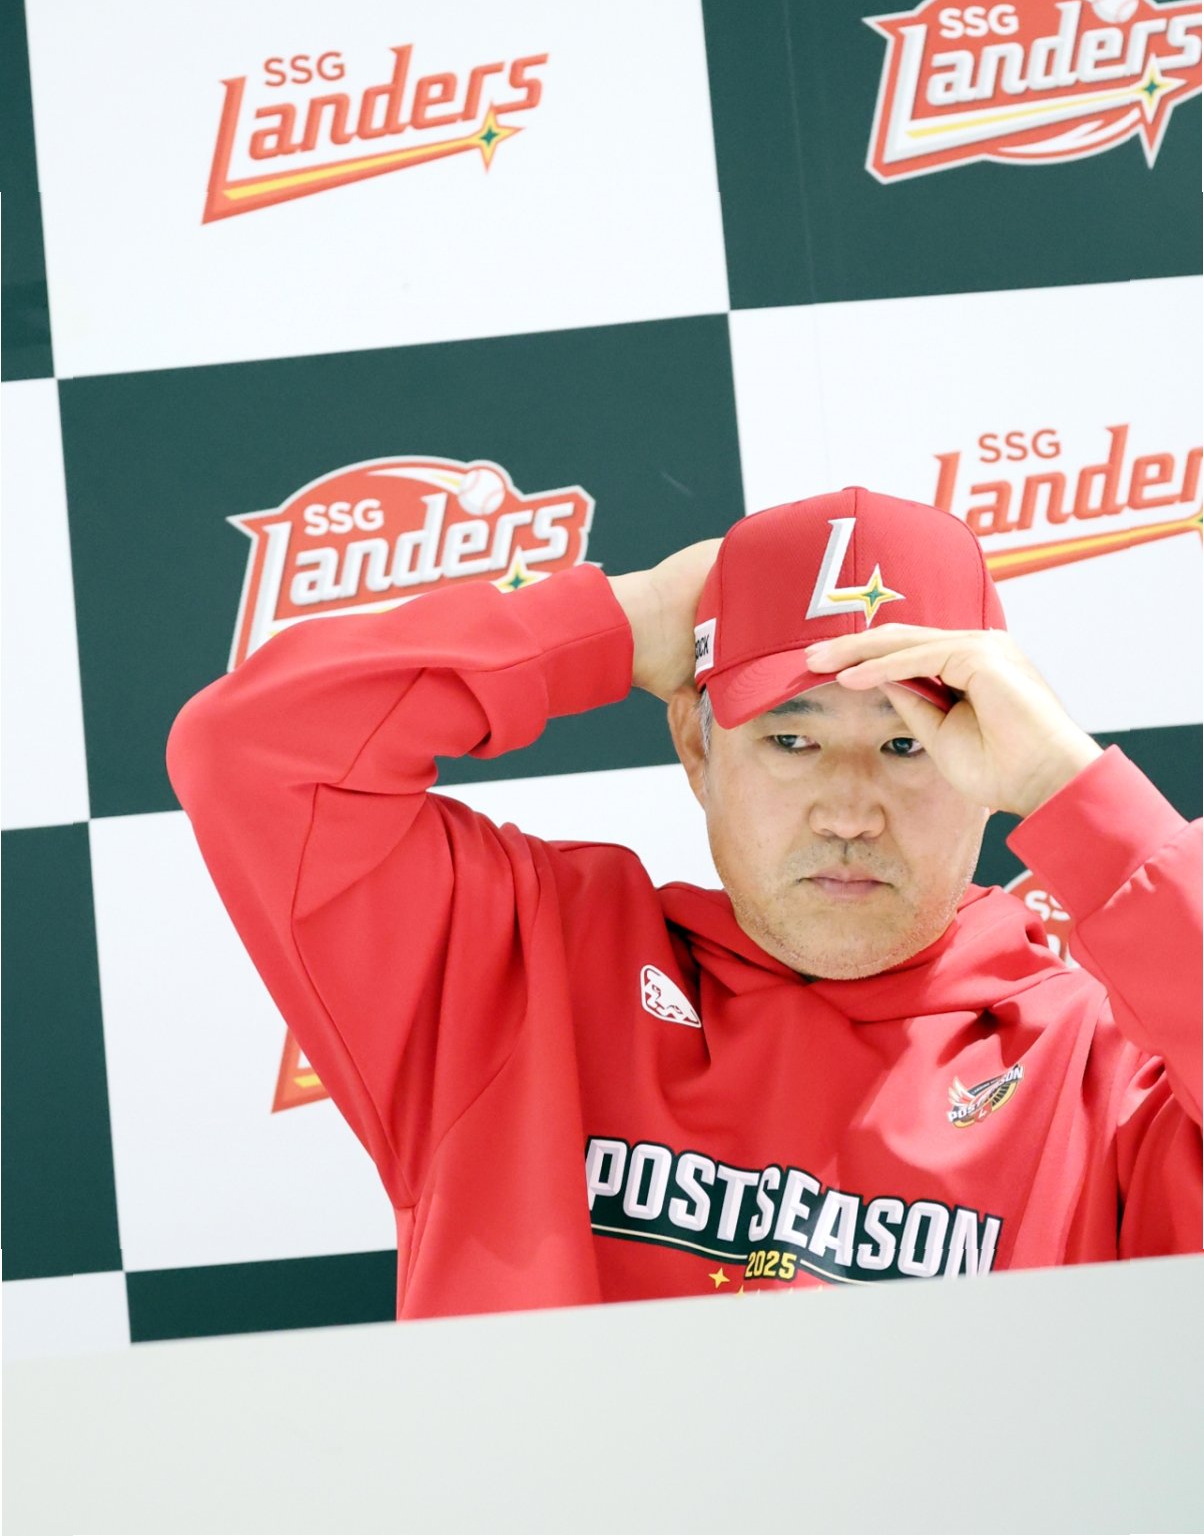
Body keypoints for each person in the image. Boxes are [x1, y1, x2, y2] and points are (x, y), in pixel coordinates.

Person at [166, 486, 1202, 1316]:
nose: (849, 811)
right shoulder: (519, 964)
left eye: (906, 743)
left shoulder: (1107, 1074)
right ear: (696, 748)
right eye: (790, 739)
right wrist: (625, 622)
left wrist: (1068, 784)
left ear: (987, 768)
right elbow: (253, 749)